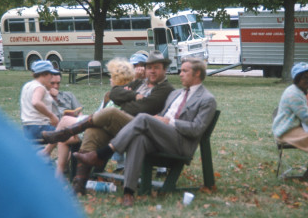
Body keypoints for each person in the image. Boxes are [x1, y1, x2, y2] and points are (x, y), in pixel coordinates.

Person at [74, 58, 217, 207]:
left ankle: (103, 153)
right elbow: (159, 112)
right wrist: (158, 119)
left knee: (143, 118)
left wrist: (170, 122)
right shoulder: (176, 94)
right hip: (161, 136)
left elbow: (197, 129)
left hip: (180, 143)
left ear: (198, 73)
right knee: (139, 139)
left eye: (185, 71)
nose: (180, 74)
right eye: (180, 70)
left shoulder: (207, 99)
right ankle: (128, 193)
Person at [42, 50, 175, 194]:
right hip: (123, 125)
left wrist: (125, 103)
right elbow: (114, 93)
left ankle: (67, 132)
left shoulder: (165, 89)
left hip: (142, 129)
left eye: (156, 68)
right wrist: (135, 95)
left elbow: (143, 108)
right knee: (93, 131)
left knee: (111, 112)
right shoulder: (141, 83)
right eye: (149, 67)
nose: (152, 71)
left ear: (164, 69)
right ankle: (79, 185)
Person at [0, 107, 87, 218]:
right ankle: (50, 155)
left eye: (56, 86)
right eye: (53, 86)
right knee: (63, 128)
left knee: (63, 126)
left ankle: (48, 153)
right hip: (39, 129)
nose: (55, 87)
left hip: (32, 129)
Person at [52, 57, 136, 178]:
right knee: (64, 138)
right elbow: (99, 113)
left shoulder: (124, 94)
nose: (110, 79)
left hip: (102, 132)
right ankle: (60, 171)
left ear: (118, 78)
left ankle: (49, 150)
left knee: (65, 121)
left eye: (112, 76)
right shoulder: (115, 93)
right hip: (97, 127)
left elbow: (105, 118)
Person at [20, 60, 60, 158]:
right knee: (69, 136)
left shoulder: (27, 85)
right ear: (44, 74)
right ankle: (47, 154)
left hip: (27, 128)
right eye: (51, 74)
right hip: (39, 128)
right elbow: (36, 102)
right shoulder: (39, 87)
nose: (51, 77)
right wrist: (52, 116)